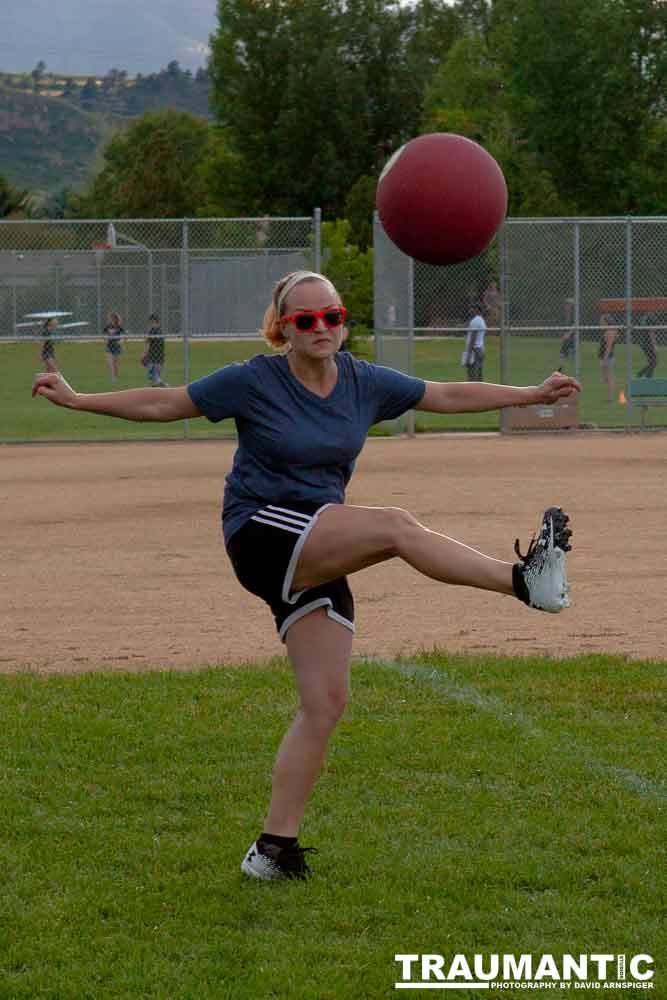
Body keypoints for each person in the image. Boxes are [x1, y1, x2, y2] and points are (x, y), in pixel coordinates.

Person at [32, 269, 580, 882]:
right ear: (282, 329)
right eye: (305, 320)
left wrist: (530, 394)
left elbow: (443, 394)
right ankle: (524, 581)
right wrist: (79, 400)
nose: (322, 327)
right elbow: (167, 401)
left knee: (325, 702)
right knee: (396, 526)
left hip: (321, 534)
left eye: (333, 316)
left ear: (343, 323)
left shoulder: (362, 380)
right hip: (262, 531)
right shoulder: (253, 380)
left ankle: (272, 851)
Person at [598, 313, 621, 402]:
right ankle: (615, 387)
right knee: (605, 379)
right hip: (604, 357)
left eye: (602, 321)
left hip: (607, 358)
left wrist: (605, 359)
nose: (600, 322)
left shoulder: (609, 332)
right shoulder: (608, 330)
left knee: (609, 378)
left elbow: (608, 347)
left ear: (606, 322)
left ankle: (610, 398)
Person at [141, 313, 166, 387]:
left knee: (154, 377)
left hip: (153, 357)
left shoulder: (152, 331)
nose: (151, 324)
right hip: (160, 357)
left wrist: (144, 353)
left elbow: (147, 343)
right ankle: (154, 387)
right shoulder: (160, 330)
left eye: (152, 322)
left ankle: (163, 385)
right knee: (155, 377)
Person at [463, 303, 486, 382]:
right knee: (478, 373)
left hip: (474, 349)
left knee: (472, 374)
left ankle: (471, 392)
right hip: (480, 348)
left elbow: (473, 338)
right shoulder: (481, 320)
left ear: (477, 310)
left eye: (472, 309)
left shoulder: (475, 321)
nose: (470, 311)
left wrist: (469, 354)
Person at [103, 311, 125, 383]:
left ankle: (115, 377)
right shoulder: (107, 327)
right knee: (109, 362)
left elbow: (123, 336)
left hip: (117, 347)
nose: (109, 320)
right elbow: (104, 336)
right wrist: (106, 339)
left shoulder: (119, 327)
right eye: (109, 319)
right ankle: (113, 377)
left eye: (110, 318)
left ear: (114, 319)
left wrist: (121, 341)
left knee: (115, 363)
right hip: (109, 347)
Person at [636, 313, 658, 379]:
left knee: (652, 362)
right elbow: (651, 332)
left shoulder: (644, 316)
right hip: (648, 342)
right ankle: (643, 375)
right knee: (654, 362)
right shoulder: (651, 316)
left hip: (643, 342)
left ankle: (644, 375)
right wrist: (654, 345)